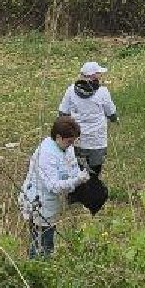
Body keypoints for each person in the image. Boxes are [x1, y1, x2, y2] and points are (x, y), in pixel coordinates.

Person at [19, 116, 83, 257]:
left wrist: (81, 176)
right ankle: (36, 268)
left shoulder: (66, 148)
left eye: (73, 141)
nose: (71, 145)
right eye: (69, 141)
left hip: (52, 202)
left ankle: (45, 263)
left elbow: (72, 169)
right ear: (59, 137)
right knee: (39, 242)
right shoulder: (46, 153)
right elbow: (53, 186)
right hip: (38, 201)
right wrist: (76, 181)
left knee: (48, 238)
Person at [57, 61, 118, 204]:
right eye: (99, 74)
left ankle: (74, 196)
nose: (101, 76)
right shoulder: (103, 92)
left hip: (76, 140)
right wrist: (115, 119)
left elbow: (62, 113)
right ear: (93, 77)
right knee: (95, 169)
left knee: (76, 168)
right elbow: (112, 113)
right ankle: (91, 196)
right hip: (97, 140)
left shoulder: (71, 90)